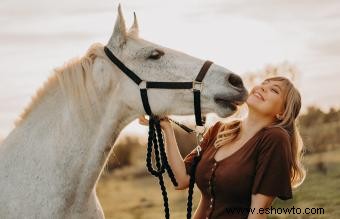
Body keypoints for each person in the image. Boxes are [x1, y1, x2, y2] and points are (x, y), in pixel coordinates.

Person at [139, 76, 306, 219]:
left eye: (274, 90)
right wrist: (167, 129)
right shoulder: (219, 130)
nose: (262, 87)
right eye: (264, 83)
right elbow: (181, 179)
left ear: (282, 113)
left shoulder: (275, 139)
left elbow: (258, 212)